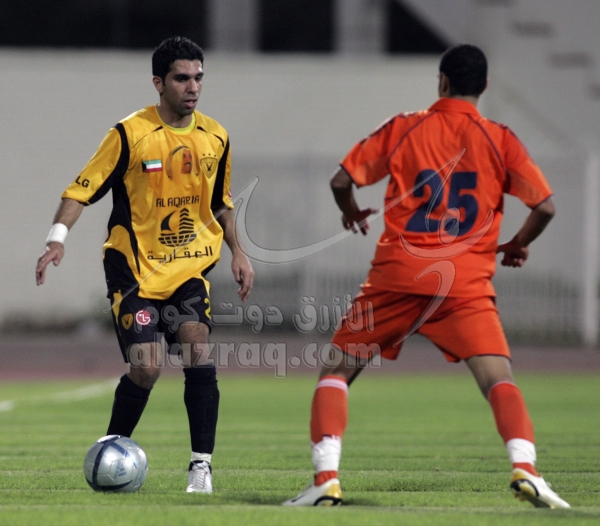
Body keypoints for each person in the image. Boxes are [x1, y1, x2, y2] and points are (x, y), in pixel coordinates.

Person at [284, 44, 570, 509]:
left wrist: (351, 211)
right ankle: (526, 469)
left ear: (442, 81)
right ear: (484, 86)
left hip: (397, 276)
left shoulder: (404, 127)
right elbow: (546, 206)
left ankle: (326, 480)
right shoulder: (500, 138)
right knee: (498, 378)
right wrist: (519, 243)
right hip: (464, 283)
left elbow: (341, 181)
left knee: (336, 371)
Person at [35, 36, 254, 494]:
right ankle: (111, 451)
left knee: (197, 351)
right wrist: (56, 240)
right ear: (158, 83)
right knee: (147, 367)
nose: (192, 87)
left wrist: (238, 251)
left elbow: (221, 203)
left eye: (198, 78)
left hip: (189, 269)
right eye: (181, 78)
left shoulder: (216, 137)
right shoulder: (129, 134)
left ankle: (201, 467)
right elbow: (80, 190)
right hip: (134, 271)